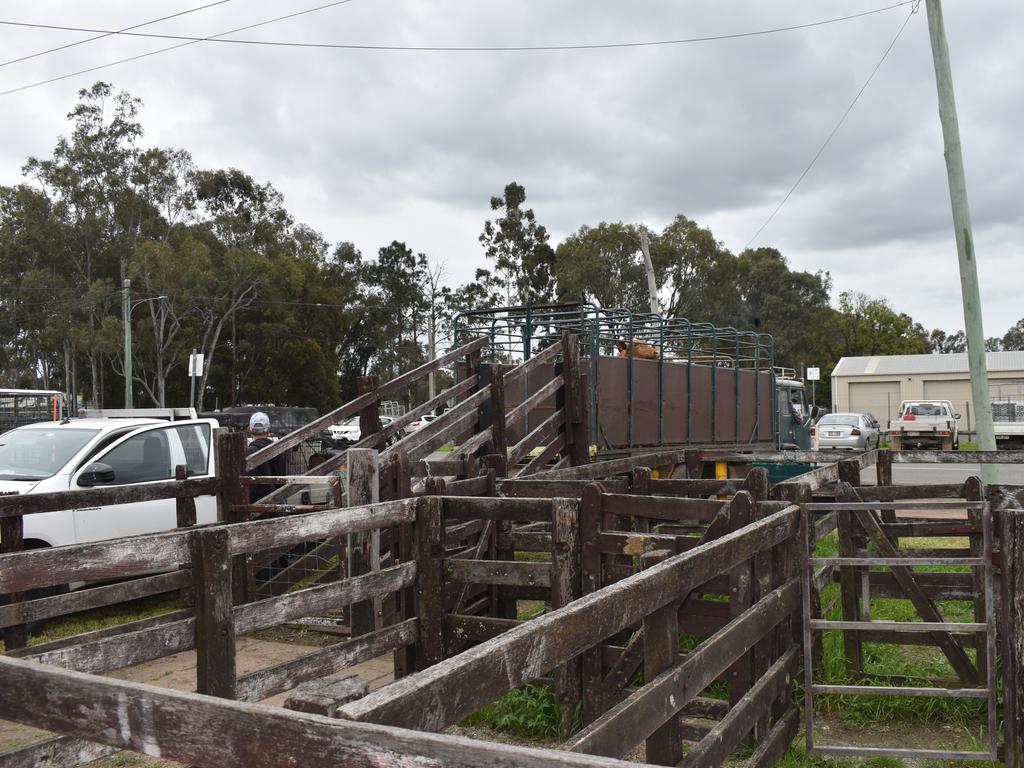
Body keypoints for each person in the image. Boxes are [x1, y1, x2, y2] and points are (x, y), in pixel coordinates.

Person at [246, 411, 288, 502]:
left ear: (249, 429)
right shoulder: (278, 450)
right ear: (269, 429)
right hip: (277, 504)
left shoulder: (249, 452)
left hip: (257, 508)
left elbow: (250, 488)